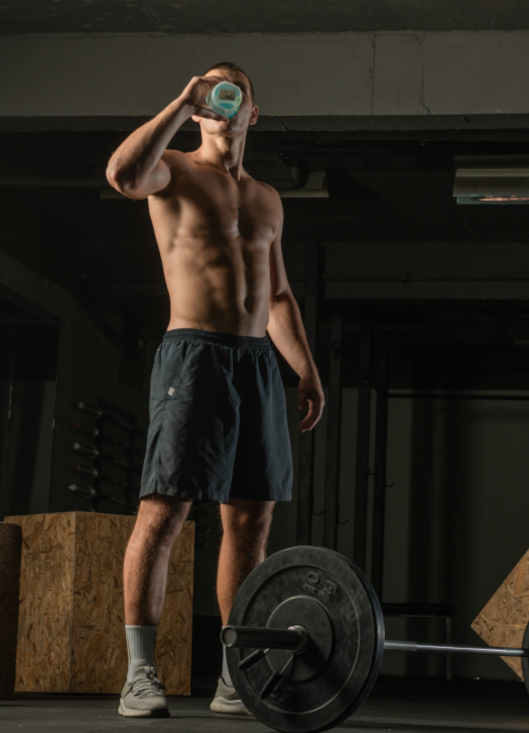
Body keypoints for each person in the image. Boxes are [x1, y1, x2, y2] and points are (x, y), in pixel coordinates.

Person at [105, 62, 325, 719]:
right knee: (166, 512)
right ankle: (140, 674)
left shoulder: (266, 199)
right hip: (193, 355)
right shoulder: (171, 169)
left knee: (251, 521)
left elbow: (279, 295)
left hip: (256, 363)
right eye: (210, 88)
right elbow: (121, 176)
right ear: (202, 107)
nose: (221, 96)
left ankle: (238, 674)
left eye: (234, 90)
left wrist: (307, 371)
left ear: (252, 112)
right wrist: (180, 100)